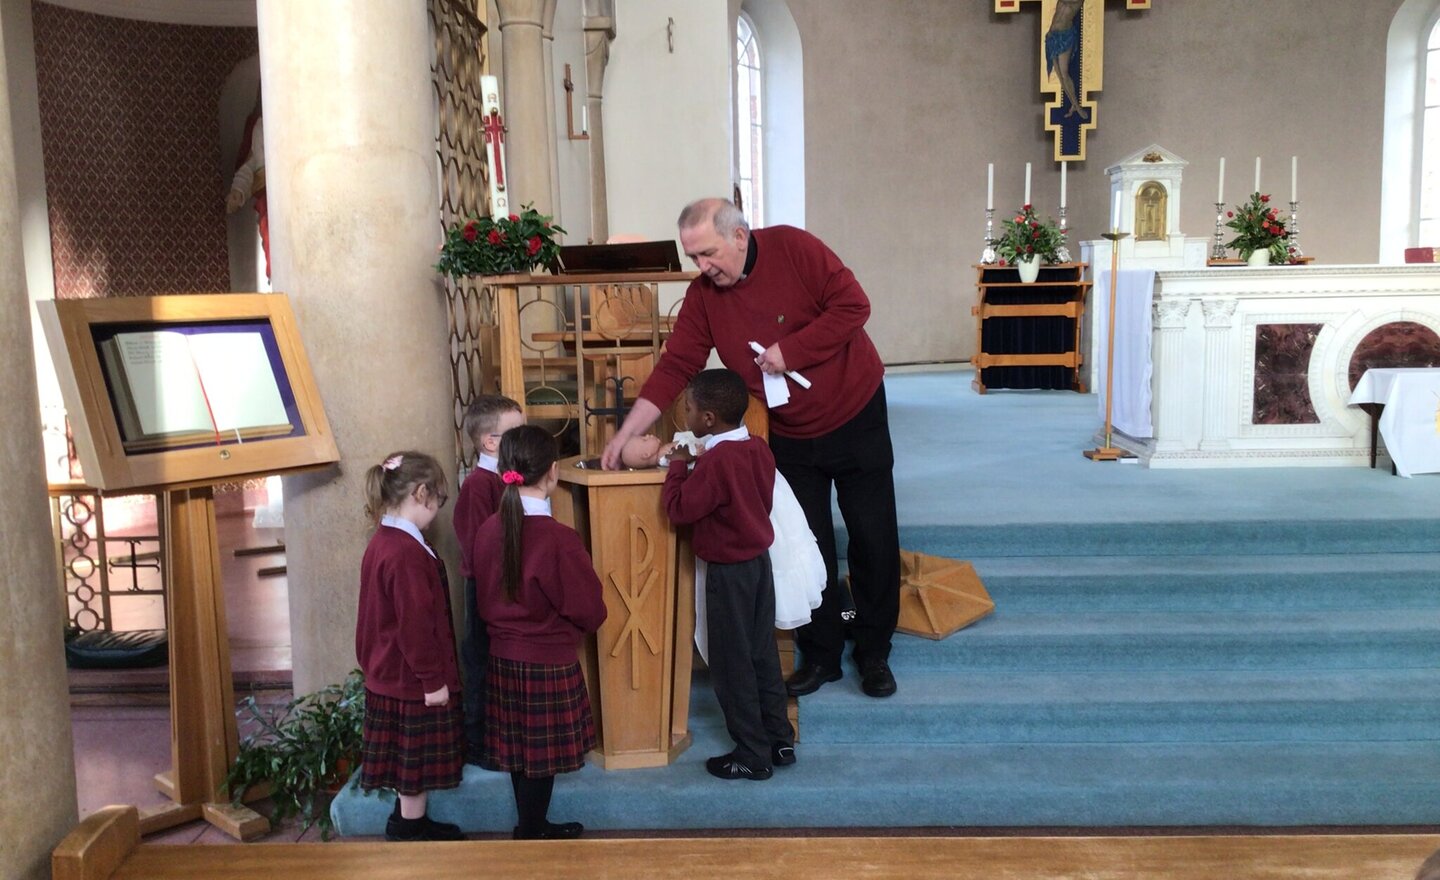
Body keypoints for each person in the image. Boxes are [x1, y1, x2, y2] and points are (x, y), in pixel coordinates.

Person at [600, 197, 901, 700]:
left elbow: (856, 306)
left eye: (709, 254)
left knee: (872, 537)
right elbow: (676, 366)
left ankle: (874, 652)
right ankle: (822, 654)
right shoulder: (704, 296)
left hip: (856, 409)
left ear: (739, 236)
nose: (702, 267)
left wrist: (793, 350)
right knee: (808, 542)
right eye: (693, 257)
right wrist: (628, 431)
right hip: (790, 430)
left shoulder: (795, 248)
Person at [472, 425, 607, 839]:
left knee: (519, 751)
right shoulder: (558, 538)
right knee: (540, 755)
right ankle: (532, 831)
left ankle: (531, 824)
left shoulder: (488, 529)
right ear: (553, 472)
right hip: (547, 661)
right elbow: (589, 608)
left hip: (503, 657)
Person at [661, 369, 794, 780]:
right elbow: (748, 492)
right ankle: (778, 738)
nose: (685, 410)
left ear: (707, 419)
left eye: (689, 406)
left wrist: (680, 466)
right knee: (762, 655)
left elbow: (680, 510)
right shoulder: (756, 448)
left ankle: (751, 754)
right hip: (759, 565)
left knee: (731, 663)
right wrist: (702, 459)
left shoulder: (716, 463)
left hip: (729, 574)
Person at [355, 451, 466, 842]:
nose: (436, 512)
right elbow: (415, 626)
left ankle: (407, 818)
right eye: (438, 502)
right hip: (410, 680)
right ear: (421, 494)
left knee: (407, 759)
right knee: (413, 762)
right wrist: (432, 680)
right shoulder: (405, 553)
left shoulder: (384, 541)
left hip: (390, 674)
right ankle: (411, 827)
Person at [452, 394, 525, 764]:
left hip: (508, 584)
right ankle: (478, 742)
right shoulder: (479, 486)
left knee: (503, 663)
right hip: (486, 587)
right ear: (491, 442)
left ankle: (503, 737)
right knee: (481, 662)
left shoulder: (510, 477)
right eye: (517, 431)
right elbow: (477, 542)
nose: (524, 436)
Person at [1046, 0, 1087, 120]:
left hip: (1065, 36)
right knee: (1059, 75)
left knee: (1064, 73)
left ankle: (1077, 107)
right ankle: (1073, 104)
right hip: (1052, 35)